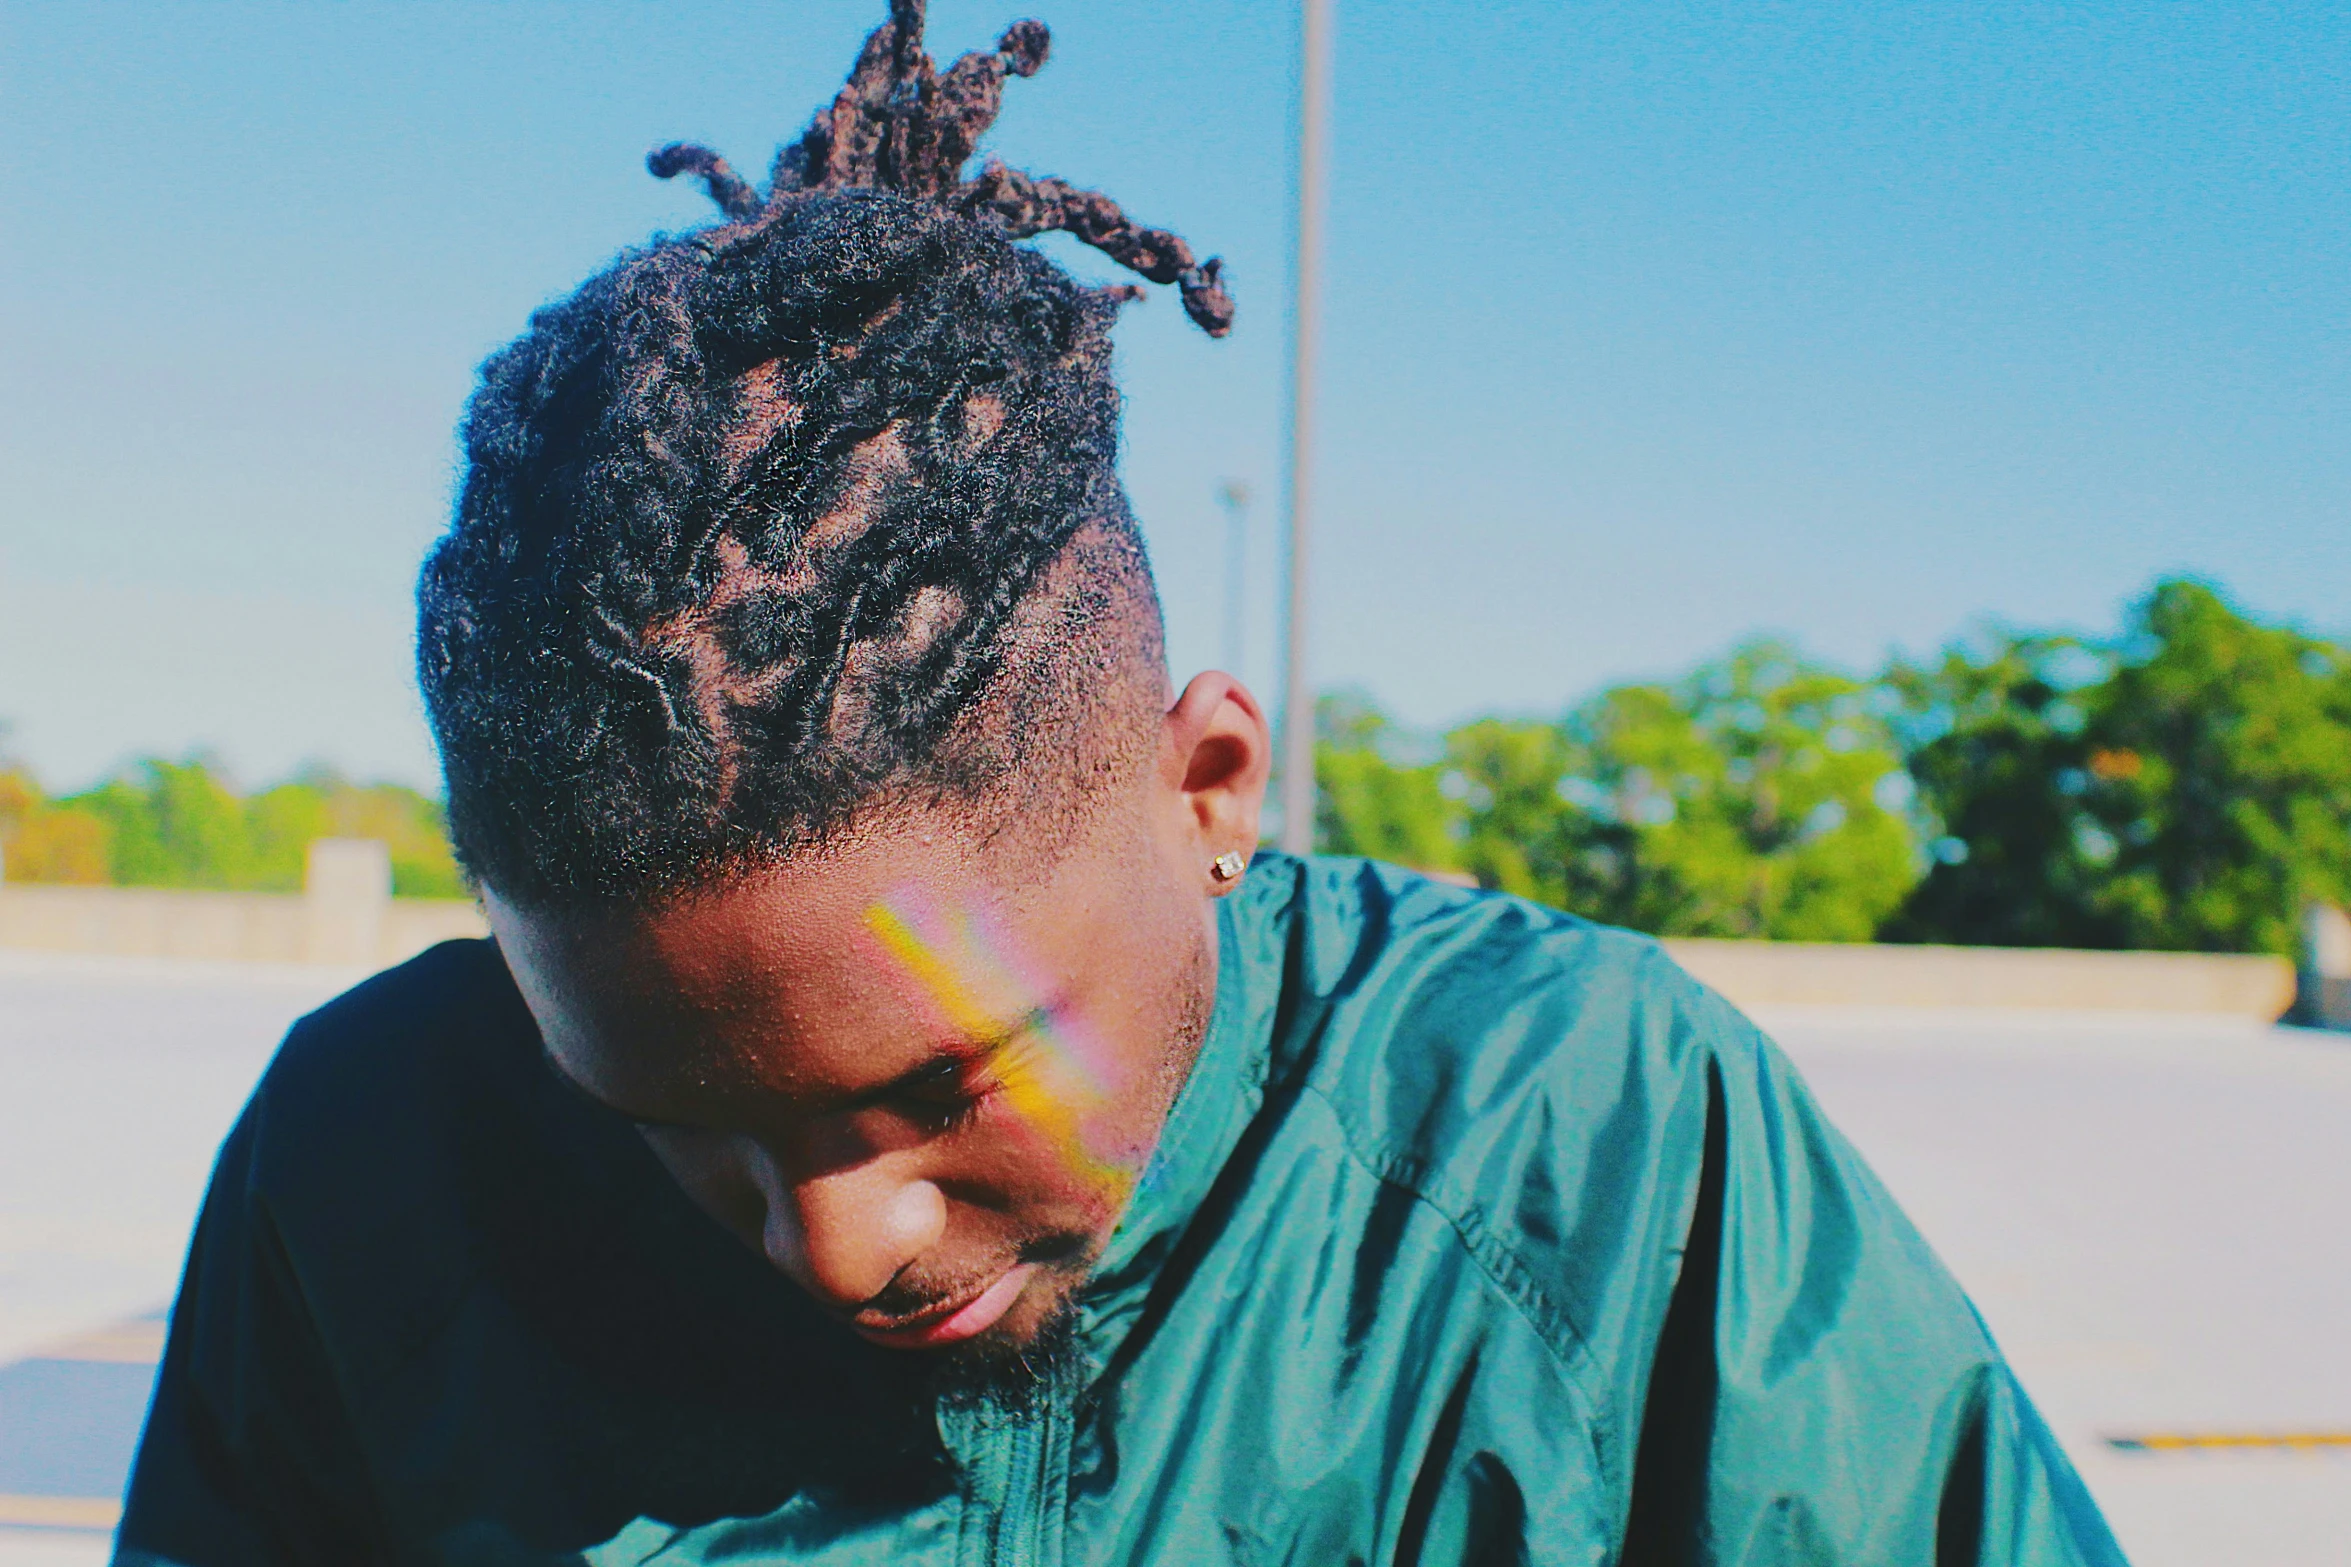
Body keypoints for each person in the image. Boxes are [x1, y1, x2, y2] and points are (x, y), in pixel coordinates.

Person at [117, 4, 2126, 1563]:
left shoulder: (1591, 1145)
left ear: (1208, 786)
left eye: (937, 1088)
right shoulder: (368, 1167)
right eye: (672, 1120)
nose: (837, 1245)